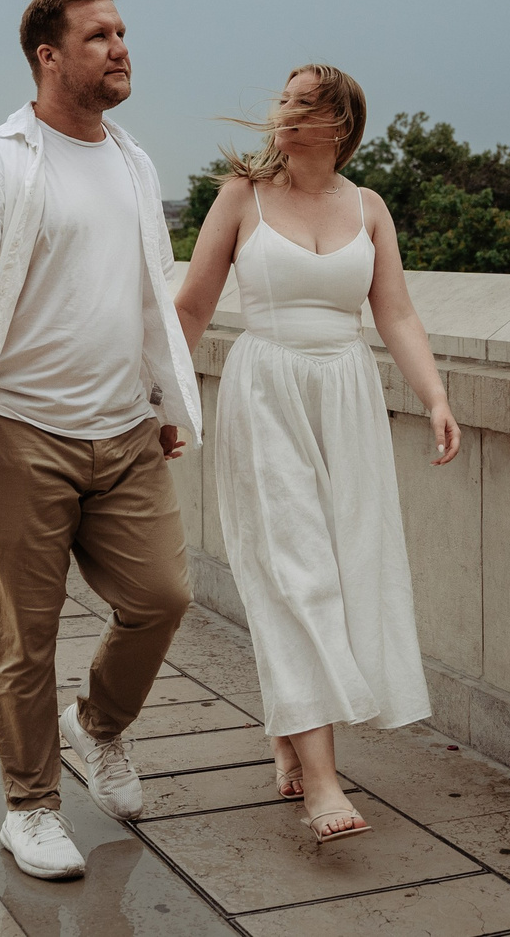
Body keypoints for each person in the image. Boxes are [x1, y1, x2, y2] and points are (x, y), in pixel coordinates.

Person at [0, 0, 203, 882]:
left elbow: (148, 290)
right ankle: (31, 805)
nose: (121, 47)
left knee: (162, 597)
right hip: (24, 430)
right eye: (98, 36)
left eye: (123, 32)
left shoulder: (135, 162)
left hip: (125, 431)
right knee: (25, 633)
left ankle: (101, 726)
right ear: (48, 55)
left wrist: (162, 396)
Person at [172, 64, 461, 844]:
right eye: (283, 98)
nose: (281, 111)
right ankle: (324, 781)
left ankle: (291, 727)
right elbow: (192, 304)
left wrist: (434, 395)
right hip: (266, 392)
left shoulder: (368, 207)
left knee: (342, 568)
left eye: (301, 102)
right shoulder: (241, 195)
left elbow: (394, 310)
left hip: (348, 397)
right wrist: (162, 398)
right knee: (294, 571)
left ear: (337, 122)